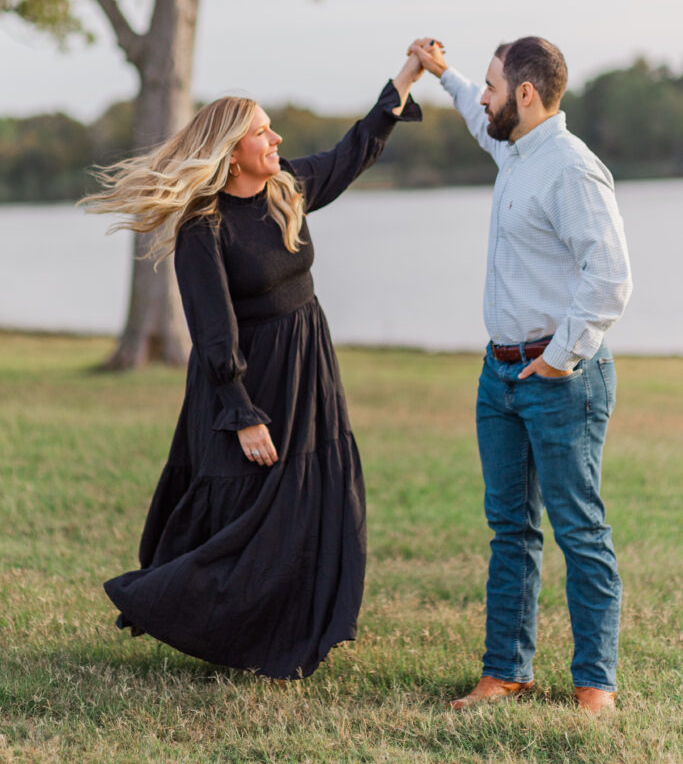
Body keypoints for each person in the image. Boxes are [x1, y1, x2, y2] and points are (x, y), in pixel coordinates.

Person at [84, 56, 423, 679]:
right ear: (231, 152)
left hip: (308, 368)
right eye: (263, 132)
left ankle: (297, 631)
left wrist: (401, 84)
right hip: (245, 380)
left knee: (313, 497)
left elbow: (351, 155)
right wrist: (242, 414)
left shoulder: (285, 187)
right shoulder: (203, 229)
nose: (277, 139)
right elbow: (213, 333)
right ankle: (197, 616)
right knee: (248, 513)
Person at [409, 35, 632, 713]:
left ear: (525, 95)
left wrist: (558, 358)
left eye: (491, 86)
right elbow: (481, 125)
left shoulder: (568, 168)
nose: (483, 97)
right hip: (497, 376)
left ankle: (594, 687)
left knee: (579, 532)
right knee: (510, 529)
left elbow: (610, 279)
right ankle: (504, 672)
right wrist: (442, 75)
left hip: (558, 379)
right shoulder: (516, 148)